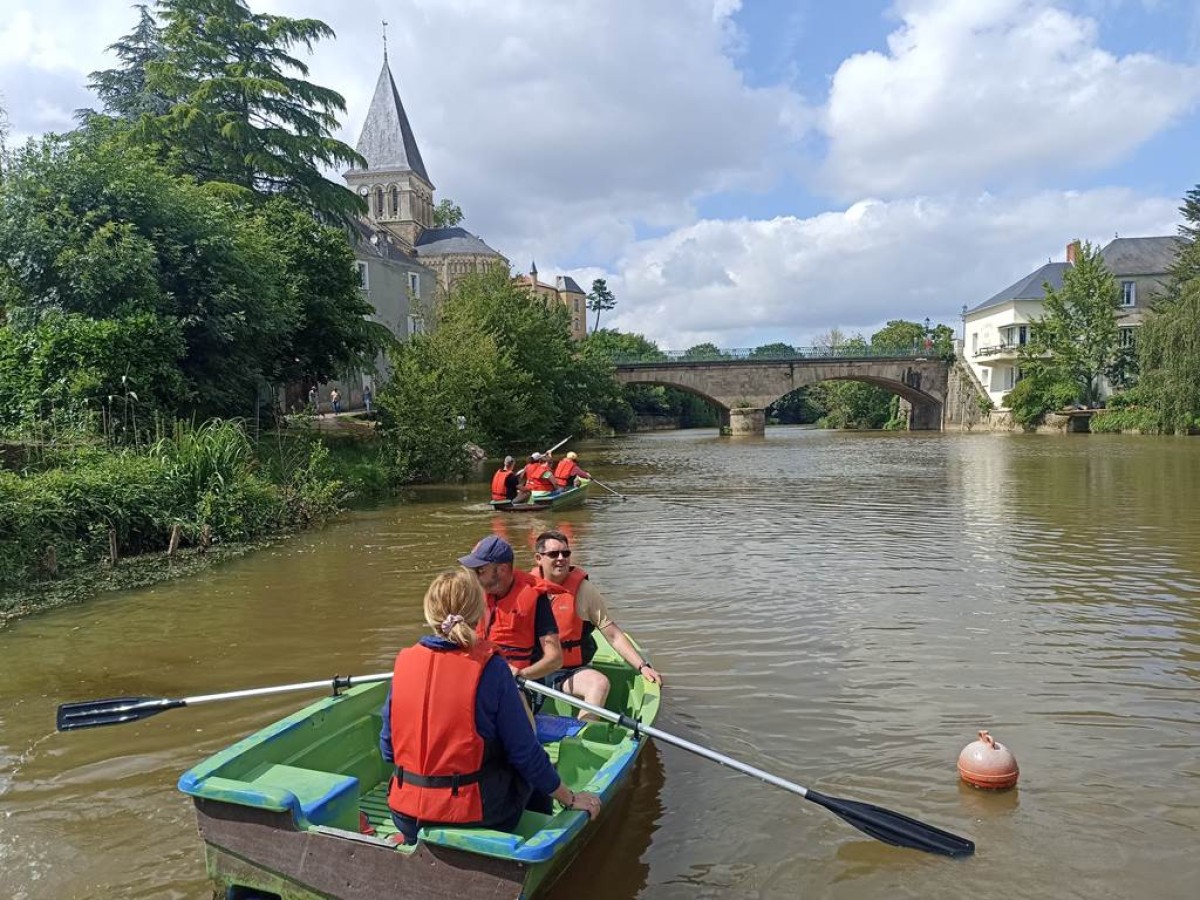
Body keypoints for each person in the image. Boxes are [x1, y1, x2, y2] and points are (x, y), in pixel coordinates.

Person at [379, 569, 601, 845]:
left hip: (405, 814)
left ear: (429, 612)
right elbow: (525, 753)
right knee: (534, 769)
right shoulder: (492, 668)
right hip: (473, 815)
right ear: (479, 612)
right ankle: (534, 845)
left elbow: (388, 749)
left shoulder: (404, 662)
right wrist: (570, 798)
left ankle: (410, 838)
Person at [532, 530, 662, 720]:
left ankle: (586, 733)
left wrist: (642, 666)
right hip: (532, 668)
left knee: (599, 684)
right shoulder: (524, 589)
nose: (561, 558)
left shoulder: (585, 591)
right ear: (538, 558)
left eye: (565, 553)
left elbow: (613, 634)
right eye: (553, 554)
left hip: (568, 672)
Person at [458, 536, 562, 680]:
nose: (474, 577)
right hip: (482, 674)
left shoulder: (536, 599)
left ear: (502, 569)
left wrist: (522, 674)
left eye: (480, 571)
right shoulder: (476, 595)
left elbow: (555, 659)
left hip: (518, 682)